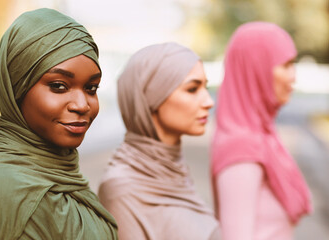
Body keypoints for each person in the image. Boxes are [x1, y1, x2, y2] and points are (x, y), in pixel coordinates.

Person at [0, 8, 117, 240]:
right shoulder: (6, 184)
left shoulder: (55, 171)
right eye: (58, 86)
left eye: (91, 88)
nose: (82, 104)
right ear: (16, 88)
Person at [98, 42, 220, 240]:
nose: (209, 101)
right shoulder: (122, 189)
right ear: (152, 96)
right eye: (192, 89)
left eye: (205, 87)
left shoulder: (172, 169)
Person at [211, 22, 312, 240]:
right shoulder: (242, 148)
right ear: (256, 70)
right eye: (285, 65)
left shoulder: (264, 136)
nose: (293, 76)